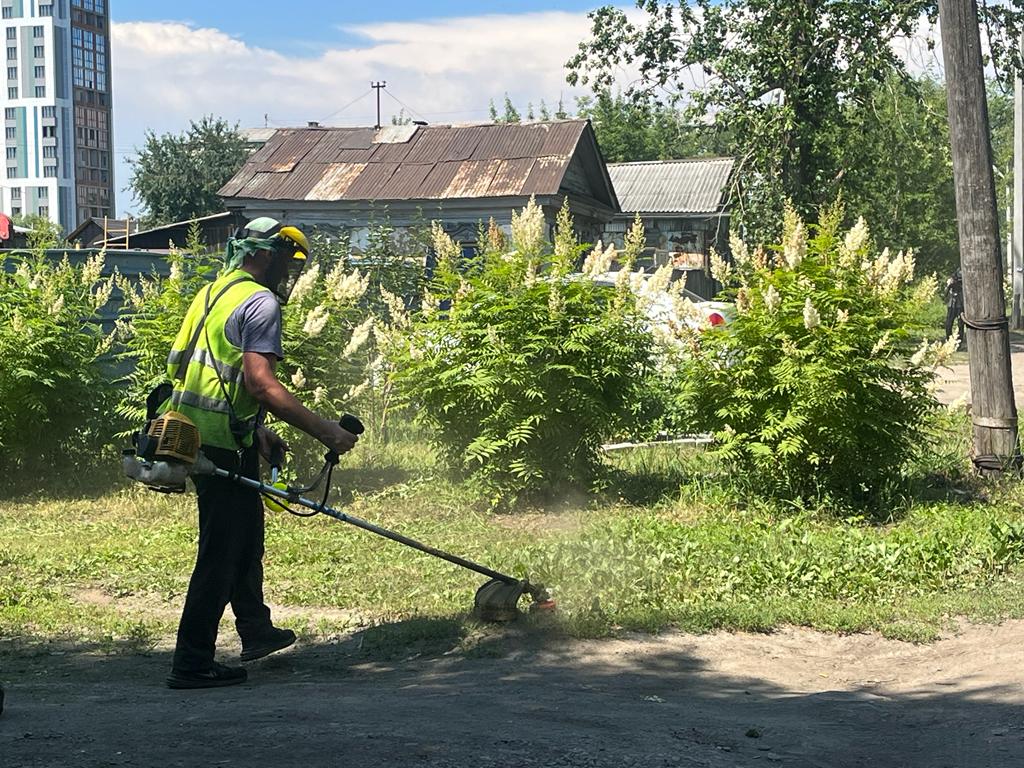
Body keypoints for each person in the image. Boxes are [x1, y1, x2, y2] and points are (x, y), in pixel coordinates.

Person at [164, 217, 359, 689]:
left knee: (245, 535)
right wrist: (325, 431)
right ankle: (191, 662)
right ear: (266, 255)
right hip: (221, 444)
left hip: (193, 433)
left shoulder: (213, 293)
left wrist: (257, 428)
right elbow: (260, 381)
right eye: (288, 264)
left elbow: (205, 372)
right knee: (221, 551)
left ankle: (255, 630)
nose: (288, 276)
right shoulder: (261, 301)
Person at [945, 267, 965, 345]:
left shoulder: (964, 282)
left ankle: (960, 341)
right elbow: (945, 294)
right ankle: (949, 339)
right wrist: (949, 285)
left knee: (961, 323)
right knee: (948, 323)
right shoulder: (951, 281)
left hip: (960, 304)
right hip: (952, 304)